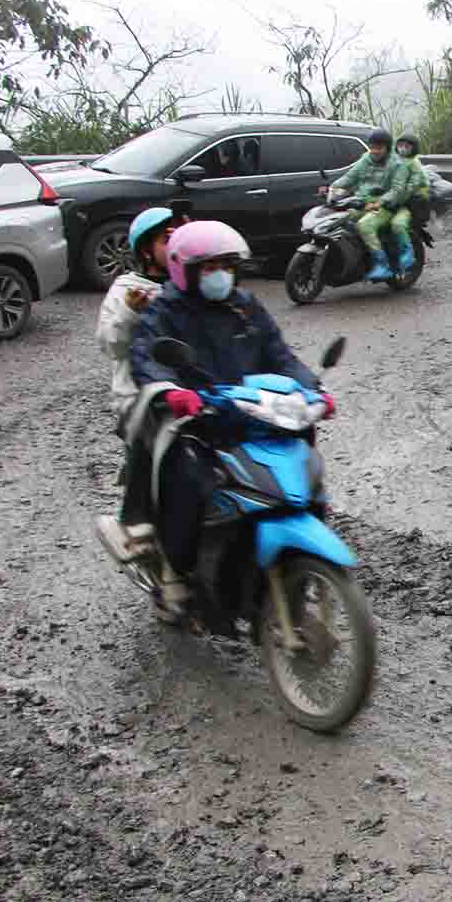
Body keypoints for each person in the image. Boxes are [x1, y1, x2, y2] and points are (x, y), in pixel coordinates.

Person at [121, 221, 334, 618]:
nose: (219, 274)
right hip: (197, 419)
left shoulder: (245, 307)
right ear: (184, 269)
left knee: (303, 461)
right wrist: (173, 392)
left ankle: (289, 556)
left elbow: (280, 356)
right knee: (189, 481)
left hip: (251, 413)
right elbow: (147, 358)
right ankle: (175, 570)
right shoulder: (166, 311)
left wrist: (313, 389)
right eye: (208, 267)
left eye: (226, 265)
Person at [93, 206, 187, 567]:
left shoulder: (189, 283)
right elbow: (110, 343)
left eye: (180, 238)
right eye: (167, 240)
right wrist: (133, 313)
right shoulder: (128, 290)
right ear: (147, 249)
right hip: (140, 396)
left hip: (191, 387)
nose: (176, 246)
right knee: (154, 439)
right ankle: (136, 521)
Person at [328, 127, 409, 281]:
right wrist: (333, 188)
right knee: (341, 220)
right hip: (364, 204)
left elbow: (397, 190)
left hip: (387, 207)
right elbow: (350, 177)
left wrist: (381, 201)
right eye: (372, 147)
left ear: (387, 147)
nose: (375, 151)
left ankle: (383, 264)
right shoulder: (366, 159)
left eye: (379, 147)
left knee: (365, 226)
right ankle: (355, 258)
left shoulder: (397, 164)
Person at [387, 132, 430, 273]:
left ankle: (408, 254)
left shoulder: (415, 165)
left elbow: (410, 188)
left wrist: (394, 200)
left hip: (411, 204)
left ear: (414, 148)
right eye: (400, 145)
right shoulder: (395, 161)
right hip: (397, 200)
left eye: (407, 146)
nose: (403, 148)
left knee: (397, 224)